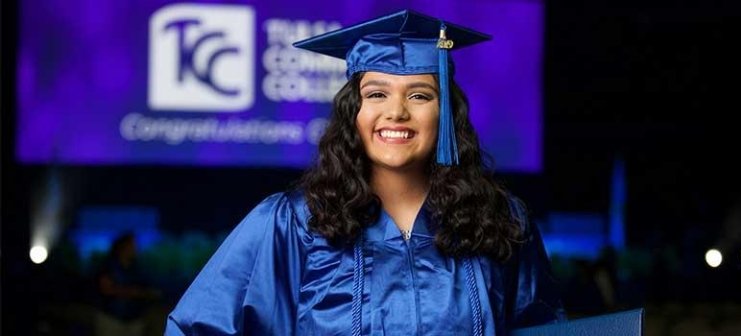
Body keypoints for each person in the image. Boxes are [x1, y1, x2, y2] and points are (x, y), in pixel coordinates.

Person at [166, 10, 565, 335]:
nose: (396, 111)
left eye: (419, 95)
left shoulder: (500, 221)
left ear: (446, 114)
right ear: (352, 112)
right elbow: (197, 329)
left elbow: (543, 330)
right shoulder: (293, 224)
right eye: (376, 94)